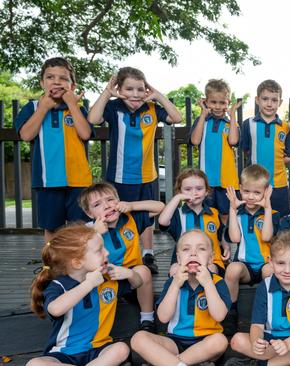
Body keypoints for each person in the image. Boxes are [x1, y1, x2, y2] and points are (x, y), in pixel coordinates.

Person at [88, 67, 183, 274]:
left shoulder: (151, 108)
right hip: (119, 177)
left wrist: (157, 95)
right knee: (118, 217)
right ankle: (121, 254)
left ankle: (147, 254)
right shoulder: (114, 108)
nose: (135, 94)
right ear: (119, 89)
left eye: (141, 89)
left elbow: (177, 117)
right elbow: (93, 119)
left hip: (147, 175)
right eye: (129, 89)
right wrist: (106, 92)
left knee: (145, 217)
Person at [28, 225, 142, 366]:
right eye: (99, 250)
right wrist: (88, 284)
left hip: (99, 350)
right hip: (63, 353)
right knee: (35, 363)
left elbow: (137, 283)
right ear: (77, 262)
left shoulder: (109, 279)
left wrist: (130, 273)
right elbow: (55, 309)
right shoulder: (58, 286)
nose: (107, 252)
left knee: (121, 349)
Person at [15, 57, 93, 242]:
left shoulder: (77, 109)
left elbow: (85, 134)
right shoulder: (32, 107)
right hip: (47, 180)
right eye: (50, 77)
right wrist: (43, 109)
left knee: (80, 228)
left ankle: (80, 266)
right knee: (52, 228)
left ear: (72, 86)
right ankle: (52, 267)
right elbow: (26, 135)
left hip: (79, 180)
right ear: (42, 83)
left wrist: (73, 104)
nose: (57, 81)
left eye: (63, 78)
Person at [131, 230, 230, 366]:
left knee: (220, 341)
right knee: (138, 338)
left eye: (201, 249)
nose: (193, 253)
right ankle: (181, 363)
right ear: (178, 259)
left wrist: (208, 284)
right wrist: (176, 284)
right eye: (186, 249)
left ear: (211, 258)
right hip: (174, 342)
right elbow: (163, 317)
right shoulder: (173, 282)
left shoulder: (217, 282)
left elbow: (219, 316)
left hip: (206, 341)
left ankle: (169, 362)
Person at [229, 231, 290, 366]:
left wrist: (287, 344)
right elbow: (257, 325)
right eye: (280, 263)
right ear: (271, 262)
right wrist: (257, 341)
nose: (287, 270)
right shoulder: (265, 286)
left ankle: (267, 364)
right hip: (271, 340)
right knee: (237, 340)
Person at [79, 182, 164, 332]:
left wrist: (131, 205)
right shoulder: (87, 230)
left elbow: (160, 207)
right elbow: (78, 256)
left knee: (144, 271)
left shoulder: (130, 219)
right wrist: (96, 233)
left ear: (118, 200)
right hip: (104, 279)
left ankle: (147, 319)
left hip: (131, 279)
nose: (106, 206)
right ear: (89, 213)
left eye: (110, 200)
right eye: (97, 204)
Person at [223, 164, 280, 326]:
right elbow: (234, 238)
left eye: (257, 193)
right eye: (246, 191)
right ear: (240, 188)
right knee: (232, 269)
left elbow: (267, 236)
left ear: (266, 191)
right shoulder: (239, 214)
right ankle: (231, 312)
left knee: (270, 271)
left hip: (266, 263)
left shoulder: (273, 215)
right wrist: (232, 210)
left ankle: (270, 312)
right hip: (245, 266)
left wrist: (267, 208)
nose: (251, 197)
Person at [240, 79, 290, 216]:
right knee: (254, 218)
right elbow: (246, 150)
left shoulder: (285, 127)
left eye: (274, 100)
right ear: (257, 100)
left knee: (281, 218)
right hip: (254, 184)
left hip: (278, 184)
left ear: (280, 102)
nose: (269, 104)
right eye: (265, 99)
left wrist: (276, 160)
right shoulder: (248, 124)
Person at [158, 168, 229, 277]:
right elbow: (162, 221)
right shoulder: (178, 214)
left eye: (199, 189)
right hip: (184, 261)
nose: (194, 193)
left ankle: (208, 294)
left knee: (211, 270)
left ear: (206, 192)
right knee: (174, 270)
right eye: (188, 189)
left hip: (211, 260)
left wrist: (226, 247)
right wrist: (177, 198)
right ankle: (179, 294)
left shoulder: (214, 213)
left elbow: (221, 235)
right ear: (180, 192)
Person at [189, 79, 241, 224]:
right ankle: (210, 243)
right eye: (213, 102)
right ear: (206, 102)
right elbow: (195, 141)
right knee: (207, 213)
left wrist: (232, 117)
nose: (217, 107)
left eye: (222, 103)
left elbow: (233, 141)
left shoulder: (230, 124)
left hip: (227, 179)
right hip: (207, 180)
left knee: (225, 214)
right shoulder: (202, 122)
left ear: (228, 102)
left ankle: (225, 245)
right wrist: (202, 114)